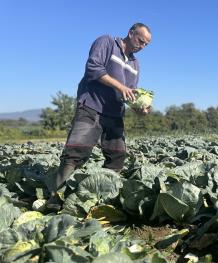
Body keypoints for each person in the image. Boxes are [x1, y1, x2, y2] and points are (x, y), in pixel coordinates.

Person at [45, 23, 152, 210]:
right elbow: (93, 69)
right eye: (140, 40)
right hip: (91, 107)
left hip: (114, 113)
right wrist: (120, 86)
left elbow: (129, 94)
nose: (141, 46)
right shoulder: (107, 43)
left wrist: (139, 108)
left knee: (117, 156)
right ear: (130, 33)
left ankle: (101, 195)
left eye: (146, 45)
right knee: (75, 153)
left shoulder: (135, 64)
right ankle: (55, 199)